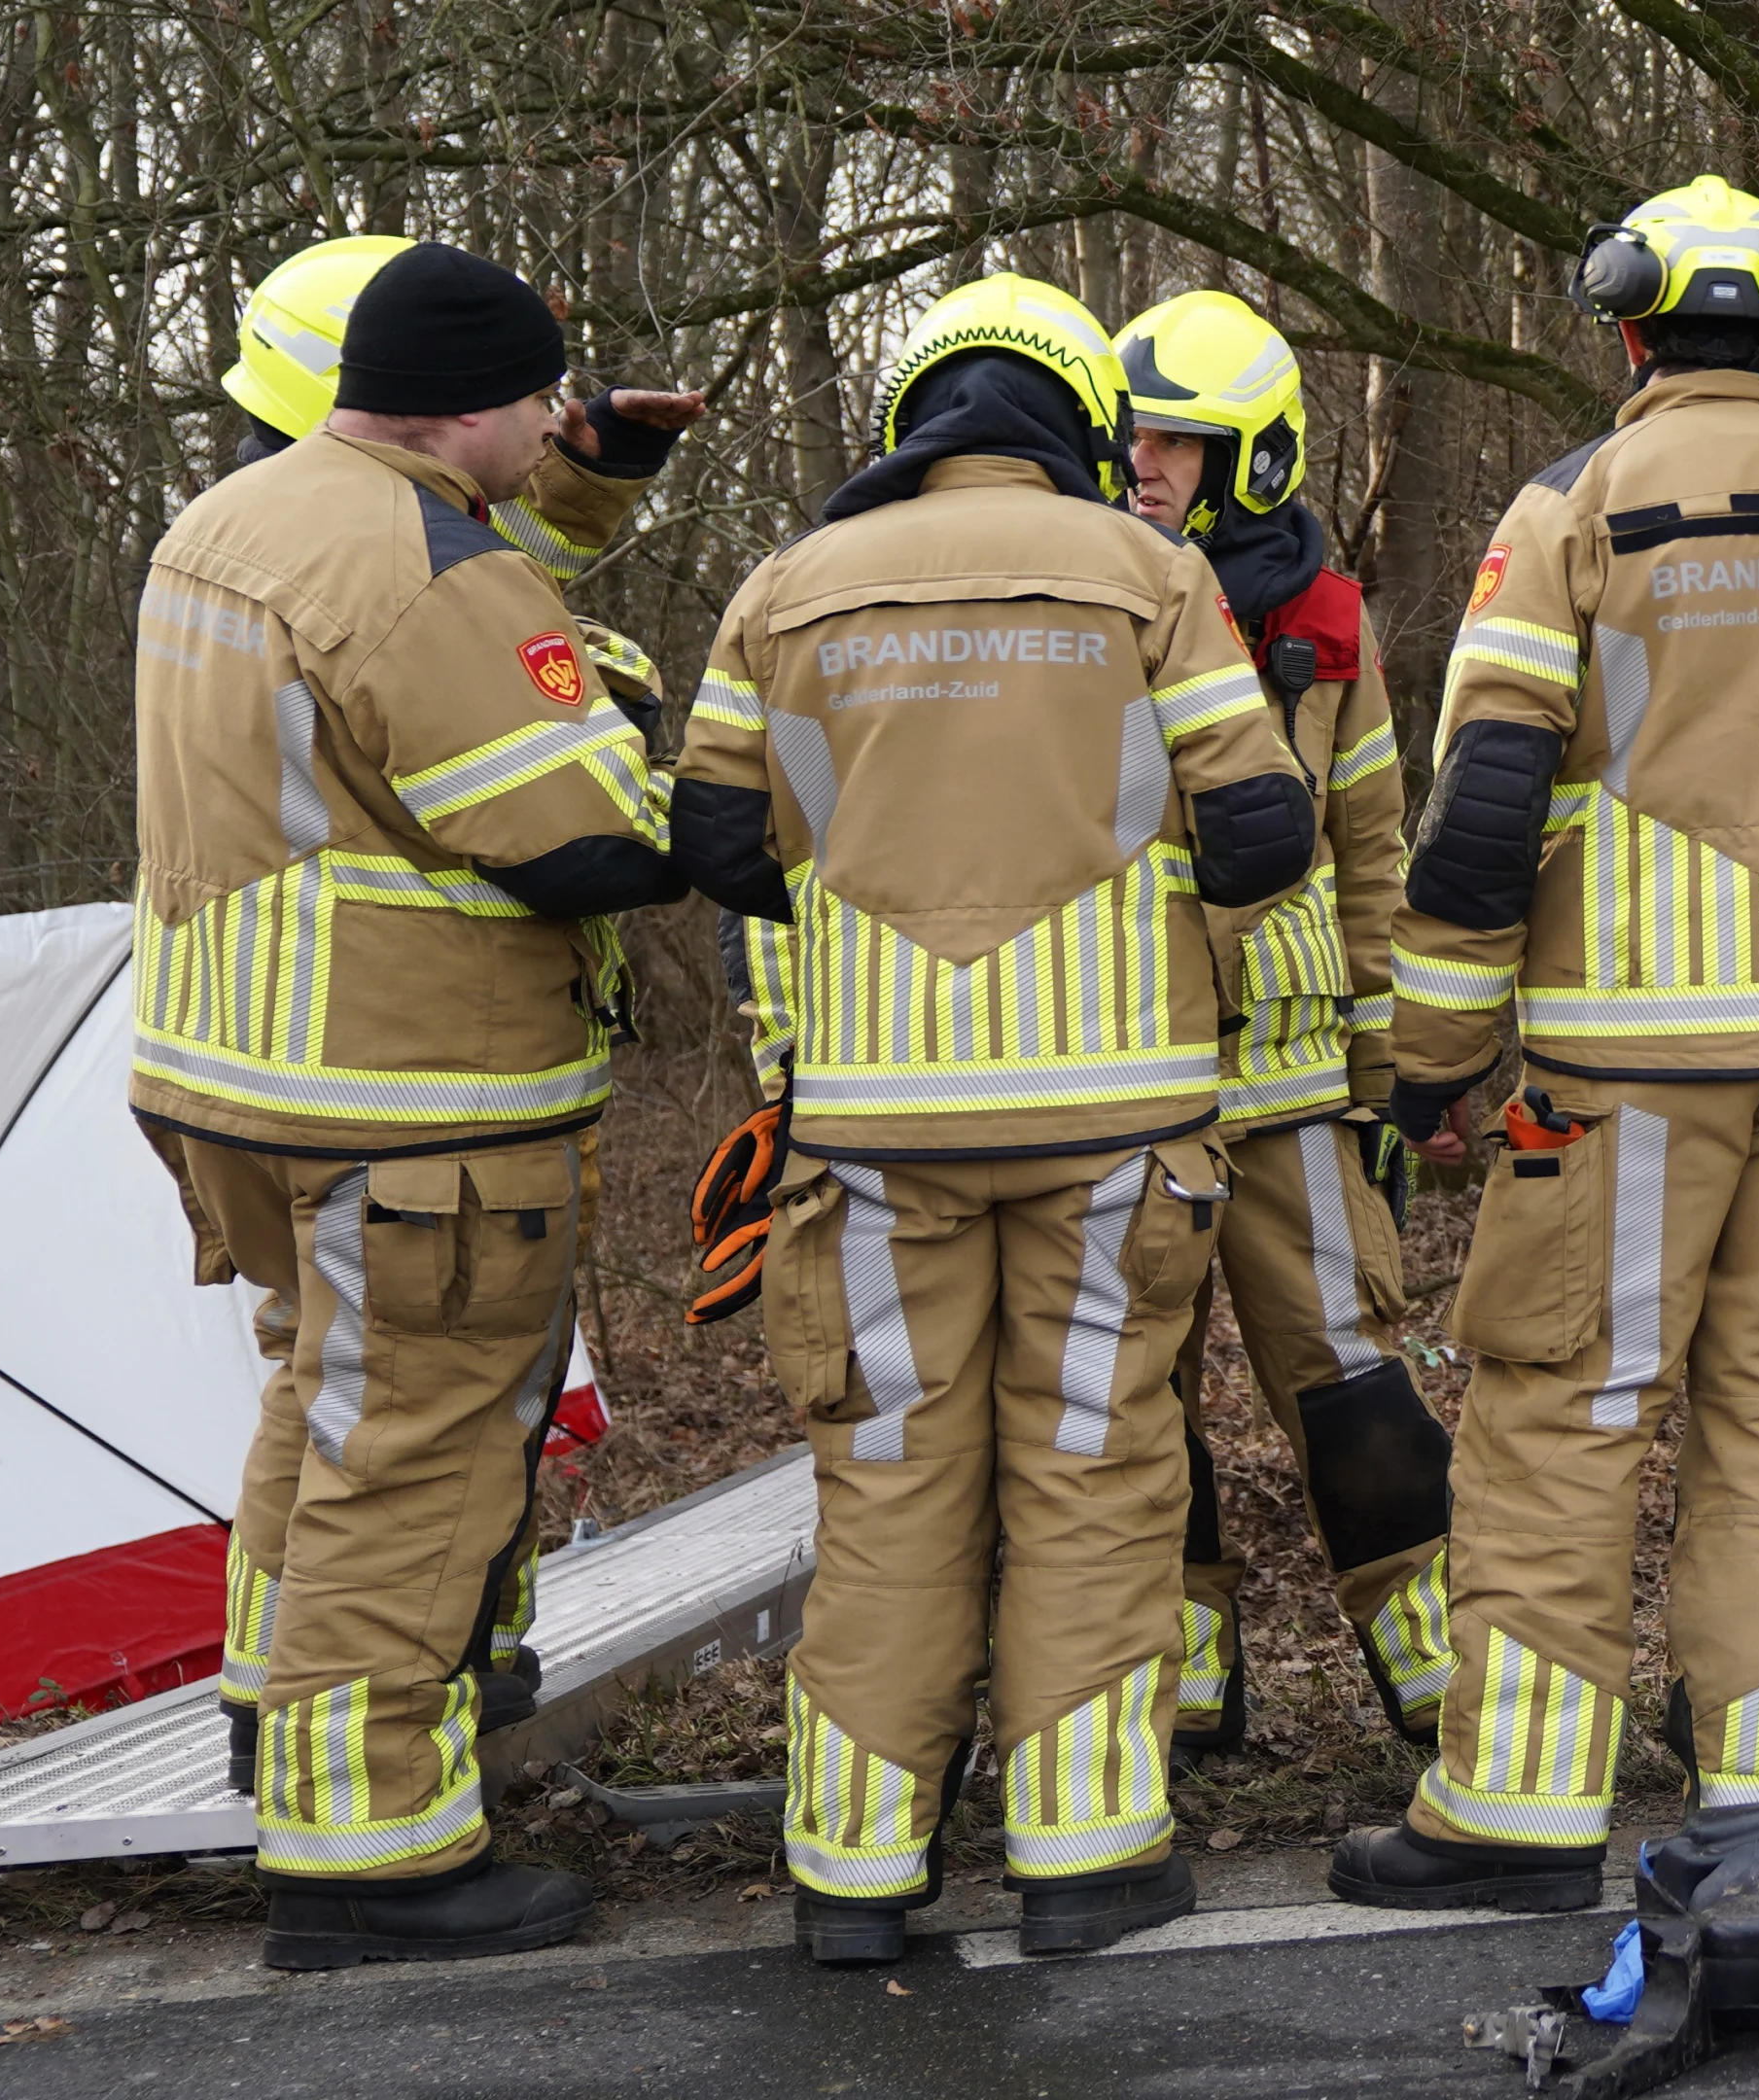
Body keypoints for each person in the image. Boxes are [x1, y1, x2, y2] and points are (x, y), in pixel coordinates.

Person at [1328, 177, 1759, 1912]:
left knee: (1566, 1413)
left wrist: (1435, 1058)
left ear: (1631, 328)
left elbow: (1487, 801)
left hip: (1620, 1067)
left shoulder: (1573, 509)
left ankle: (1517, 1808)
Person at [670, 273, 1317, 1965]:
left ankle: (856, 1873)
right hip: (1117, 1121)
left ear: (913, 418)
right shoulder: (1152, 576)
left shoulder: (786, 589)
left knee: (887, 1478)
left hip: (876, 1129)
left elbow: (721, 844)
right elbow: (1262, 834)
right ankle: (1088, 1853)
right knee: (1095, 1465)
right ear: (1084, 426)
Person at [133, 240, 690, 1967]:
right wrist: (660, 742)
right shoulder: (431, 572)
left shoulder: (238, 516)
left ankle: (278, 1718)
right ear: (467, 409)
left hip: (243, 1083)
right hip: (419, 1098)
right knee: (421, 1456)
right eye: (537, 403)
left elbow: (435, 609)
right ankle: (368, 1853)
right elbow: (583, 834)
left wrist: (588, 491)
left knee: (322, 1412)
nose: (550, 426)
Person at [1109, 288, 1454, 1768]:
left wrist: (1392, 1075)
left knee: (1350, 1377)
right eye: (1133, 437)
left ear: (1255, 456)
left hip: (1296, 1079)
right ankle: (1183, 1684)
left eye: (1180, 443)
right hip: (1124, 1071)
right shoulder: (1083, 592)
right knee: (1136, 1389)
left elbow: (1374, 842)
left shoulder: (1324, 617)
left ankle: (1446, 1680)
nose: (1146, 464)